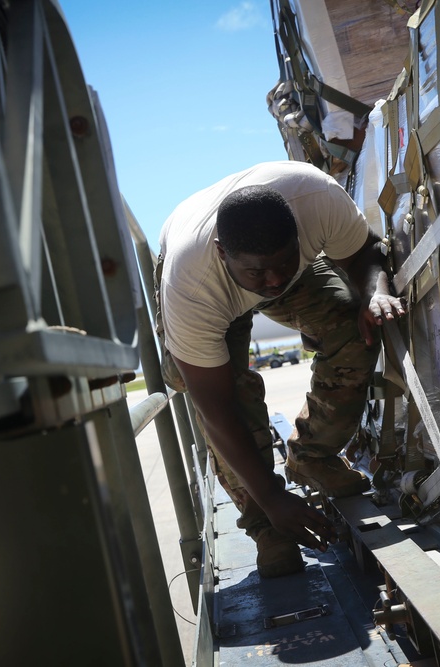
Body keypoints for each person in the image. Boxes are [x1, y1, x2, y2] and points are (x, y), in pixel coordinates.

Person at [154, 161, 406, 577]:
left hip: (254, 257)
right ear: (223, 253)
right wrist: (272, 500)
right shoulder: (192, 289)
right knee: (226, 395)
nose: (273, 281)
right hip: (206, 284)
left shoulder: (318, 200)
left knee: (350, 319)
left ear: (299, 237)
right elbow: (216, 411)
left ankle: (311, 456)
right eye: (259, 272)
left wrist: (374, 294)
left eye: (285, 263)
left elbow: (364, 254)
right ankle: (268, 529)